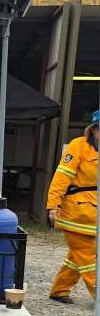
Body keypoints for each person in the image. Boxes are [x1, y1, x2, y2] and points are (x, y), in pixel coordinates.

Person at [47, 111, 98, 303]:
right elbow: (61, 177)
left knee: (77, 256)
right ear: (93, 130)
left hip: (94, 213)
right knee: (88, 255)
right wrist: (53, 205)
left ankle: (59, 290)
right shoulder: (78, 146)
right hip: (75, 213)